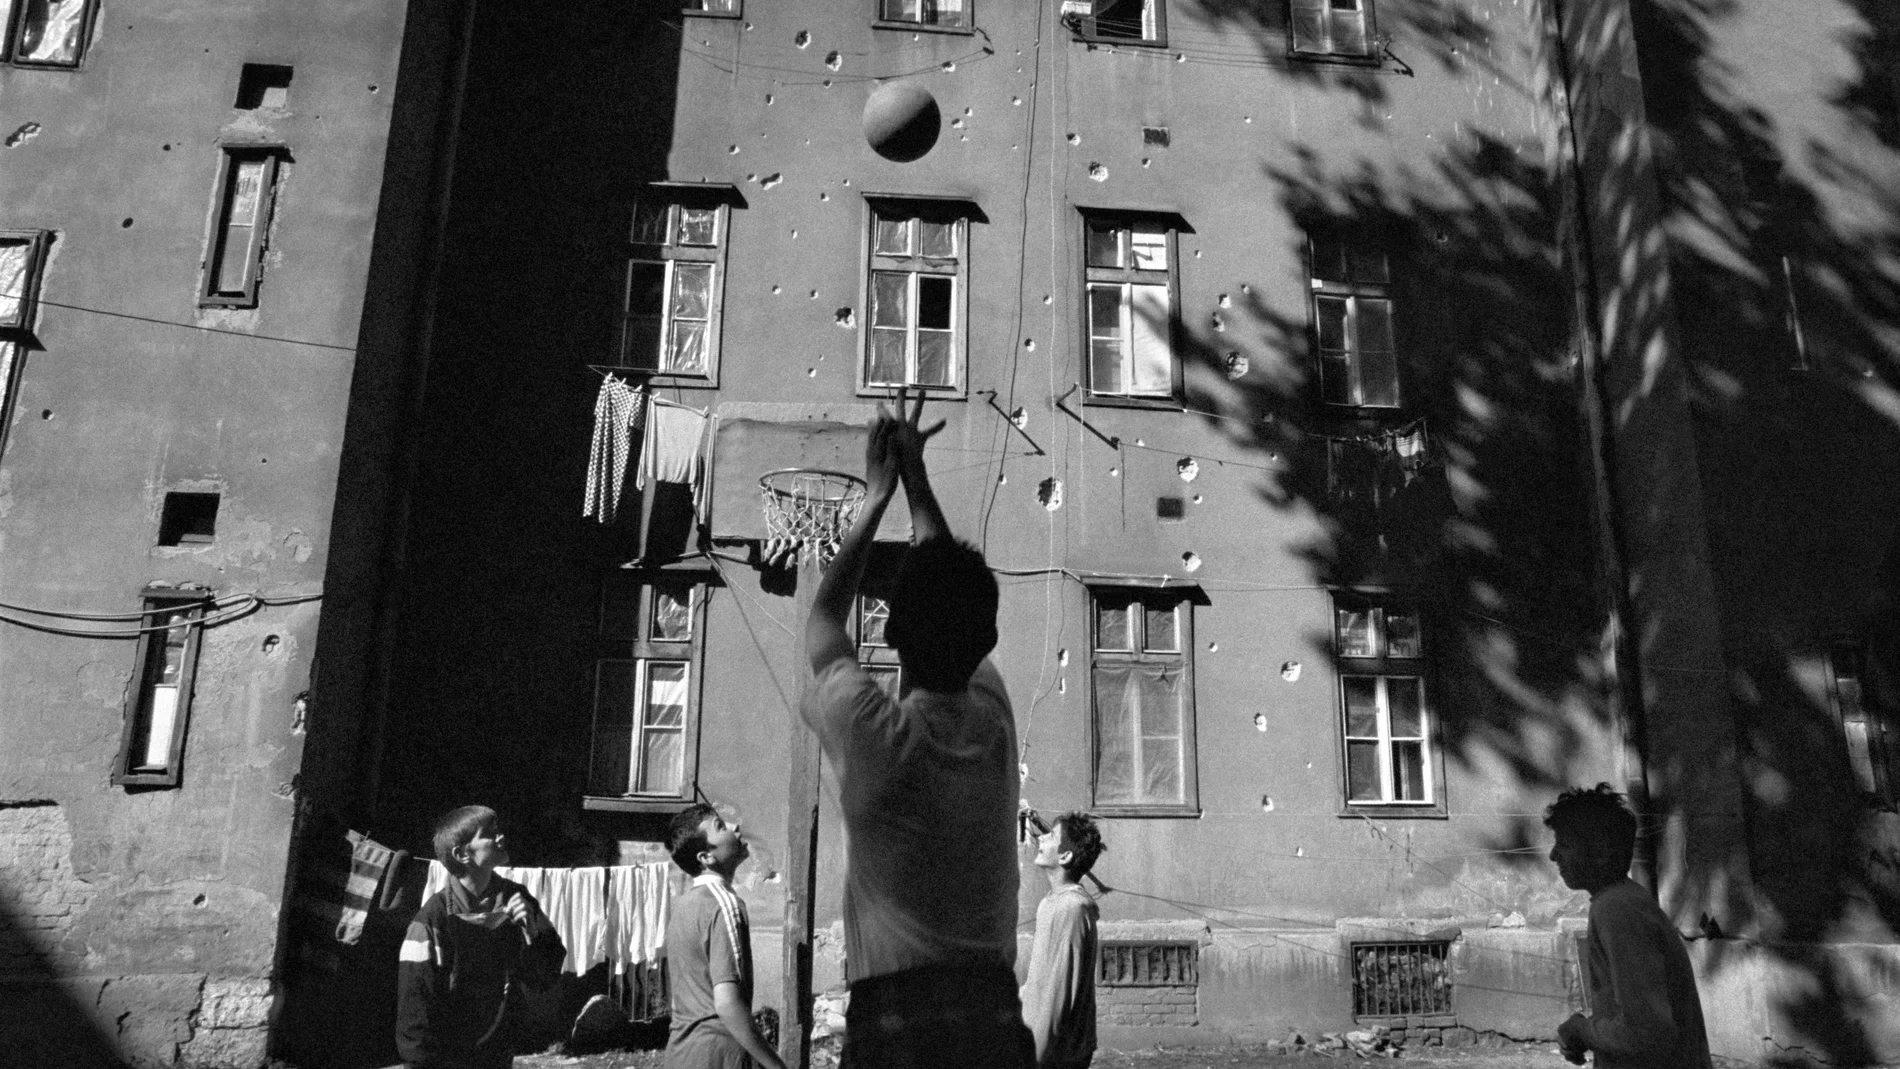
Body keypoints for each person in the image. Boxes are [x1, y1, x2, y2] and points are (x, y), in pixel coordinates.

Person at [801, 388, 1034, 1068]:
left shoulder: (876, 735)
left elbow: (821, 623)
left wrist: (877, 494)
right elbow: (945, 583)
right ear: (986, 636)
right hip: (994, 1017)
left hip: (898, 1019)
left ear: (893, 631)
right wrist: (917, 481)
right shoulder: (994, 722)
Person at [1546, 784, 1712, 1069]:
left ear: (1599, 852)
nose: (1553, 855)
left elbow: (1647, 1033)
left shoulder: (1618, 910)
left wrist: (1581, 1031)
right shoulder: (1622, 901)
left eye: (1564, 845)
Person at [396, 805, 564, 1069]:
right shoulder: (432, 921)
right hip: (445, 1060)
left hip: (497, 1055)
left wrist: (531, 933)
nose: (501, 837)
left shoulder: (517, 900)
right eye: (489, 833)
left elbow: (544, 978)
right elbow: (415, 1011)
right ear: (462, 854)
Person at [662, 803, 786, 1069]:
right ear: (706, 857)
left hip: (680, 1055)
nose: (735, 827)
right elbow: (728, 1003)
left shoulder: (684, 906)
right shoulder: (724, 904)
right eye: (721, 826)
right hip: (716, 1055)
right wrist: (775, 1065)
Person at [1021, 812, 1105, 1069]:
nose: (1040, 837)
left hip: (1057, 1054)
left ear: (1065, 856)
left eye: (1051, 835)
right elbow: (1039, 982)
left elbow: (1057, 993)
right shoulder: (1053, 902)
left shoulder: (1070, 908)